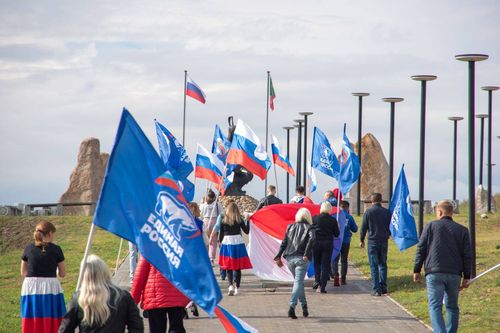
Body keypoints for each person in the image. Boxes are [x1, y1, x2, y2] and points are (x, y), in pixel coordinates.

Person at [413, 200, 471, 333]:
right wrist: (467, 276)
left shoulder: (430, 226)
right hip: (454, 274)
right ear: (452, 212)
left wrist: (417, 269)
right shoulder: (462, 230)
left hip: (434, 272)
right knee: (452, 306)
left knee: (435, 306)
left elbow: (421, 248)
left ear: (439, 212)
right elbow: (467, 255)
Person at [59, 255, 143, 333]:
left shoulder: (79, 298)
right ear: (105, 271)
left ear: (84, 275)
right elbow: (137, 327)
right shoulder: (123, 297)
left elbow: (65, 329)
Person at [21, 221, 66, 333]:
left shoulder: (28, 248)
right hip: (50, 287)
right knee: (52, 317)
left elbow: (23, 272)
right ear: (50, 233)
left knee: (33, 317)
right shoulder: (56, 249)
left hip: (31, 287)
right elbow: (62, 273)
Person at [274, 208, 314, 319]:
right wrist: (306, 253)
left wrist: (278, 255)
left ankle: (304, 306)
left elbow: (284, 243)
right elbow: (313, 238)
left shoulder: (290, 227)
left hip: (290, 258)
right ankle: (292, 306)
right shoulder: (310, 227)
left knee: (298, 282)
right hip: (302, 259)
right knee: (298, 282)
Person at [131, 257, 190, 333]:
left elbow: (140, 275)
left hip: (155, 296)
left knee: (157, 328)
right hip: (176, 295)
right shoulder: (178, 248)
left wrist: (133, 300)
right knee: (176, 328)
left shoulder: (149, 248)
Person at [359, 192, 391, 296]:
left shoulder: (368, 212)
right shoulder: (387, 212)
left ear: (372, 201)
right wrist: (388, 234)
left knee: (374, 265)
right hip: (384, 240)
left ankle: (376, 289)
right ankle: (383, 287)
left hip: (372, 241)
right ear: (381, 200)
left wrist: (361, 240)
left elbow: (364, 227)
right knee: (383, 264)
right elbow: (391, 226)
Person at [218, 202, 252, 296]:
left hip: (227, 242)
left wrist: (220, 243)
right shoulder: (239, 219)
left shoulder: (224, 219)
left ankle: (230, 286)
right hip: (238, 241)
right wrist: (248, 220)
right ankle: (237, 288)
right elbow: (247, 231)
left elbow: (221, 233)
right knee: (237, 267)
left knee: (228, 266)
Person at [311, 202, 340, 293]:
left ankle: (317, 281)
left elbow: (310, 229)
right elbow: (337, 234)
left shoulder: (315, 218)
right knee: (325, 265)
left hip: (316, 243)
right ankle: (323, 286)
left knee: (317, 263)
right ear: (330, 209)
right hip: (328, 244)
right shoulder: (333, 220)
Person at [331, 200, 358, 286]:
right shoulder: (349, 217)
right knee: (344, 260)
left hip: (336, 240)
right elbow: (355, 229)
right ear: (347, 207)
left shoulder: (336, 216)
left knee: (335, 259)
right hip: (346, 241)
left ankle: (335, 274)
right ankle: (343, 278)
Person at [201, 189, 224, 263]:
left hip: (205, 222)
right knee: (213, 241)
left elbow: (201, 215)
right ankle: (211, 258)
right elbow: (222, 213)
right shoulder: (217, 204)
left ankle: (206, 256)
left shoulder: (203, 205)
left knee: (205, 240)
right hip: (215, 222)